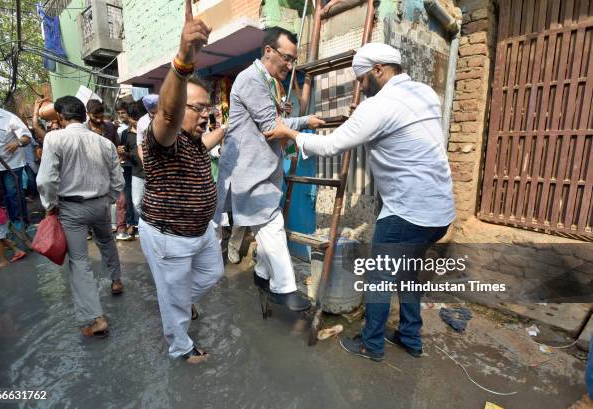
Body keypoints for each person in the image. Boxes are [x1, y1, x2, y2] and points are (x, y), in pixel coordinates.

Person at [265, 43, 456, 362]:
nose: (360, 87)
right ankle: (410, 337)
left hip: (408, 213)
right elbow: (394, 128)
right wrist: (363, 117)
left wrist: (290, 132)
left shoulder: (378, 107)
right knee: (408, 273)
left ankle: (372, 344)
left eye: (362, 80)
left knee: (379, 277)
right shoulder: (423, 94)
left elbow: (332, 146)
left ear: (378, 70)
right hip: (439, 213)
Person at [214, 27, 325, 311]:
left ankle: (262, 276)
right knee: (271, 225)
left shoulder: (267, 81)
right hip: (248, 173)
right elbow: (271, 128)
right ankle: (283, 288)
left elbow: (275, 122)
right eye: (287, 59)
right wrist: (305, 136)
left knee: (264, 227)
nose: (290, 66)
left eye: (293, 61)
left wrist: (302, 121)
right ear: (268, 51)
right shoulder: (251, 79)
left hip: (261, 171)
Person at [138, 2, 225, 363]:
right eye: (197, 108)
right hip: (169, 235)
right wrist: (184, 58)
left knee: (213, 272)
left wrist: (230, 126)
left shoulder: (192, 141)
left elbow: (205, 141)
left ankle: (177, 300)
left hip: (199, 231)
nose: (204, 114)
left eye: (207, 107)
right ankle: (181, 346)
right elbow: (170, 114)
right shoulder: (163, 137)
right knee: (173, 298)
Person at [36, 96, 125, 338]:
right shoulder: (103, 142)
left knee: (79, 261)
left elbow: (46, 180)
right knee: (107, 242)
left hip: (71, 208)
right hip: (100, 205)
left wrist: (50, 205)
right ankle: (116, 280)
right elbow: (118, 180)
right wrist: (107, 199)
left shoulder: (55, 138)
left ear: (60, 117)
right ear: (84, 116)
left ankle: (96, 319)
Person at [0, 87, 31, 229]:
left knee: (14, 196)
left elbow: (27, 137)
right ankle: (2, 225)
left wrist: (18, 142)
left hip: (11, 166)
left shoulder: (9, 117)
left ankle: (21, 225)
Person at [117, 100, 146, 238]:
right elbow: (126, 154)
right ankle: (145, 225)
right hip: (136, 173)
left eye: (137, 118)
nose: (135, 122)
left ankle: (148, 227)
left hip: (153, 172)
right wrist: (122, 153)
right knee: (136, 202)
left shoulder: (149, 131)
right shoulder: (125, 134)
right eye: (133, 119)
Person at [134, 94, 158, 215]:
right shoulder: (142, 122)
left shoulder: (168, 118)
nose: (154, 116)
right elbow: (139, 145)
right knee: (142, 201)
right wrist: (145, 163)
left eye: (156, 112)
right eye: (152, 114)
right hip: (149, 167)